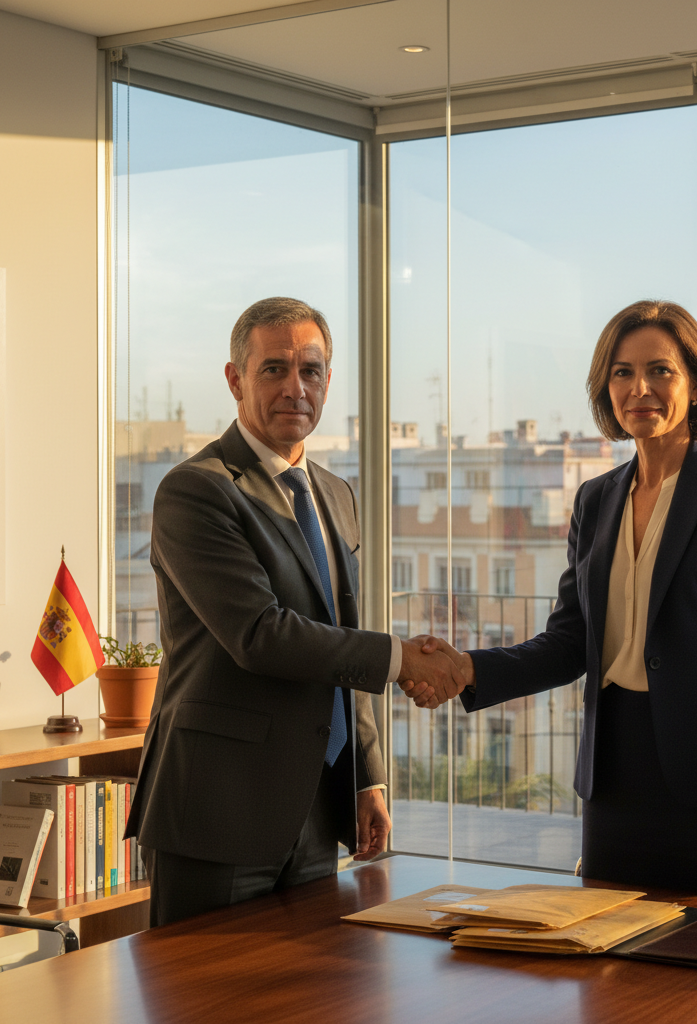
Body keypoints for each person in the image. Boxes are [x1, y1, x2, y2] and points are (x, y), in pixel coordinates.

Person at [408, 300, 697, 896]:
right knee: (610, 970)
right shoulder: (595, 500)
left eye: (660, 370)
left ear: (695, 384)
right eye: (622, 372)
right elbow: (570, 643)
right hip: (614, 777)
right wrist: (466, 669)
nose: (640, 387)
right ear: (606, 388)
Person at [126, 297, 462, 926]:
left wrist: (366, 775)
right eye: (273, 369)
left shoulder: (335, 493)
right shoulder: (197, 489)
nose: (295, 387)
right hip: (218, 809)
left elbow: (341, 633)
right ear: (235, 379)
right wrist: (399, 658)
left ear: (328, 381)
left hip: (316, 805)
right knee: (205, 1000)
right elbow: (260, 635)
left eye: (311, 370)